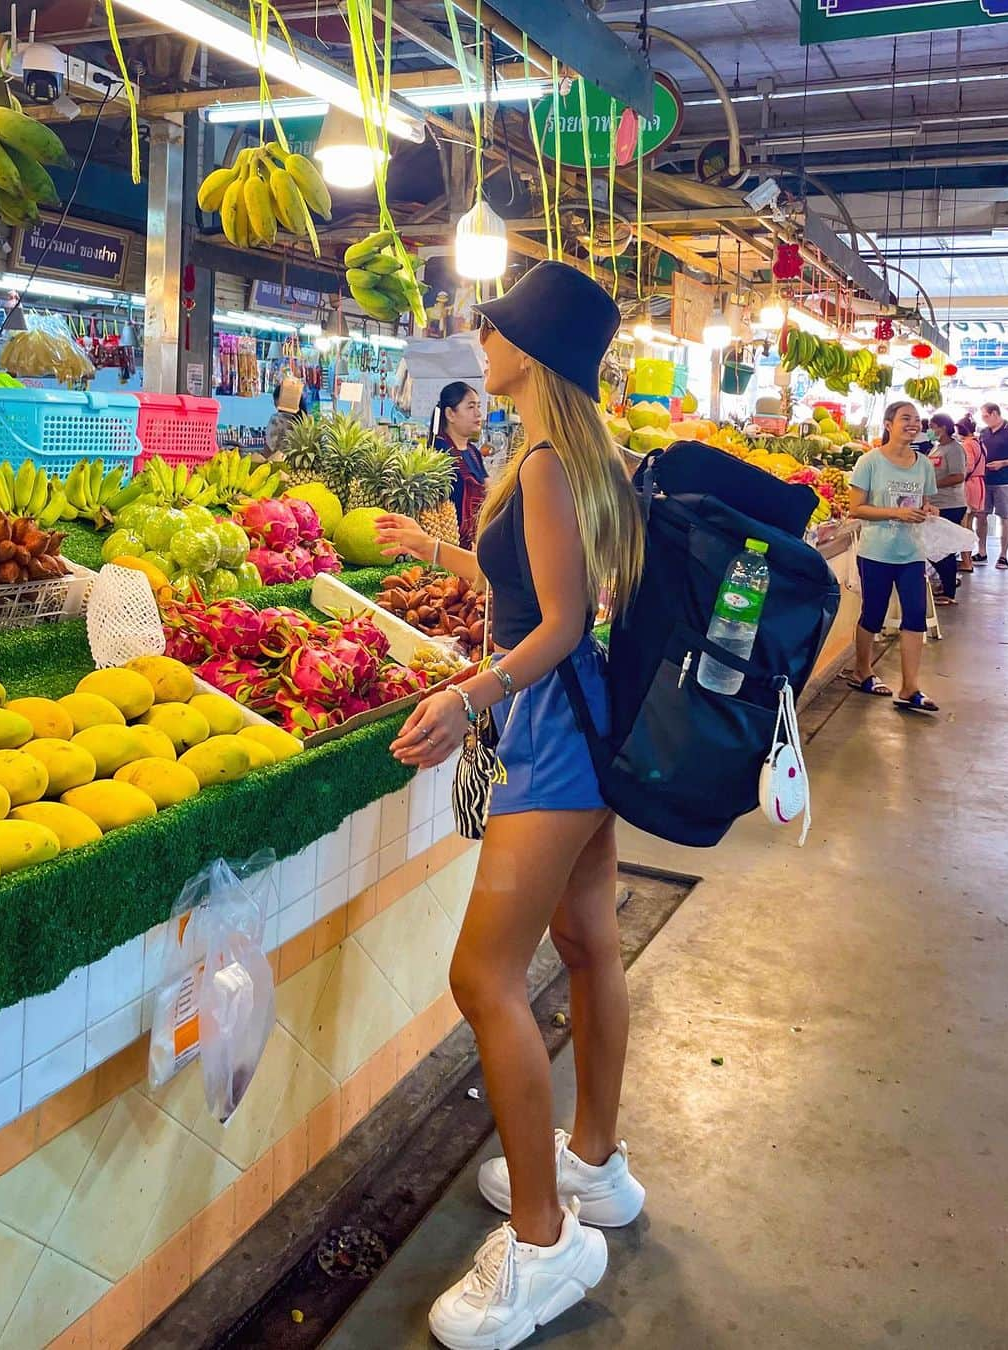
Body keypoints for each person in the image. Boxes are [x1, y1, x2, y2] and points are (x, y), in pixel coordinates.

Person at [374, 261, 646, 1350]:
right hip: (591, 723)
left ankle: (545, 1246)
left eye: (494, 331)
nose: (480, 344)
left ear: (531, 351)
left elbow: (560, 623)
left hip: (555, 733)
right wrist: (438, 550)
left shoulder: (542, 459)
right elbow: (545, 591)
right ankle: (593, 1165)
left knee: (481, 975)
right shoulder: (582, 456)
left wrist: (466, 694)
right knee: (587, 944)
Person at [847, 400, 940, 714]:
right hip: (876, 552)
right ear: (888, 425)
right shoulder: (870, 462)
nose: (913, 423)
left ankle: (909, 687)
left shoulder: (923, 464)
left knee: (915, 615)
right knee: (873, 614)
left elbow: (925, 503)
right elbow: (856, 508)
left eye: (916, 419)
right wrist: (895, 512)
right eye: (905, 418)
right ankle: (862, 671)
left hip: (912, 552)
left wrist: (928, 511)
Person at [433, 380, 488, 548]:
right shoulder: (438, 452)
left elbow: (488, 487)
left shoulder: (473, 452)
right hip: (448, 545)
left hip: (474, 543)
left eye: (478, 406)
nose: (478, 414)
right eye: (471, 407)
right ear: (450, 414)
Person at [927, 413, 967, 604]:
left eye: (932, 426)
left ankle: (949, 591)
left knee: (943, 549)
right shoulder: (937, 448)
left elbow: (958, 476)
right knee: (936, 547)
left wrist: (933, 485)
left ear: (942, 427)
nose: (929, 430)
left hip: (950, 504)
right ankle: (947, 582)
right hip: (936, 505)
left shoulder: (954, 449)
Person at [979, 401, 1008, 569]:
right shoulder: (984, 432)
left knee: (1005, 517)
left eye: (985, 416)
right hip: (984, 481)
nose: (984, 419)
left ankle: (1003, 555)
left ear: (995, 414)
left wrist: (1004, 463)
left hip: (1005, 481)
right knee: (981, 516)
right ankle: (982, 551)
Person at [958, 416, 985, 573]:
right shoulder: (978, 442)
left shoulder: (967, 444)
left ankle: (966, 561)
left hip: (969, 486)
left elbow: (968, 466)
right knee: (969, 525)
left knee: (964, 526)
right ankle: (968, 560)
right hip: (979, 486)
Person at [264, 374, 308, 457]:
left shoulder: (277, 420)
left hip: (278, 463)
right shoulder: (305, 421)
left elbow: (268, 448)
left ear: (280, 399)